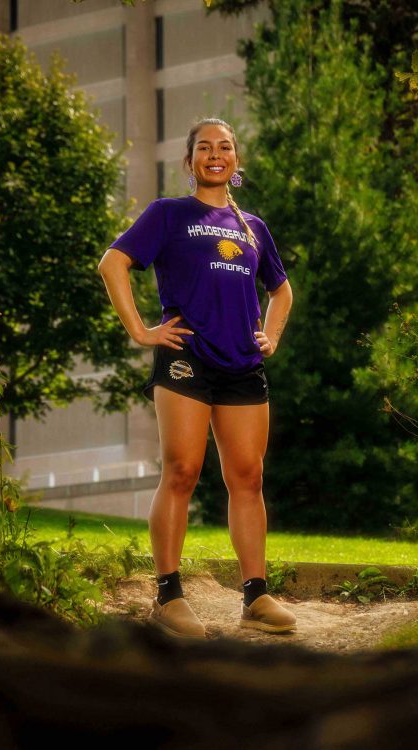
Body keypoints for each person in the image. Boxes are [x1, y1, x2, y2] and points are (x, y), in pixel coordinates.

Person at [97, 117, 296, 639]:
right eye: (204, 147)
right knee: (182, 470)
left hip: (243, 366)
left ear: (235, 160)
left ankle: (256, 595)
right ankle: (168, 595)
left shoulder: (253, 228)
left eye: (225, 147)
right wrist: (141, 330)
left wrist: (270, 336)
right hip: (186, 358)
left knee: (247, 478)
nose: (215, 154)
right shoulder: (169, 215)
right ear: (189, 162)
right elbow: (112, 263)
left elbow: (282, 290)